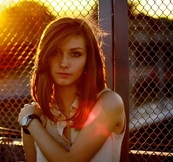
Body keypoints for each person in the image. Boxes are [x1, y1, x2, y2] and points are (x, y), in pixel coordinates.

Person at [18, 17, 125, 162]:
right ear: (45, 57)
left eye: (75, 54)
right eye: (56, 53)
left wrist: (30, 123)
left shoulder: (109, 103)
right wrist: (31, 123)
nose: (64, 63)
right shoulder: (36, 115)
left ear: (88, 59)